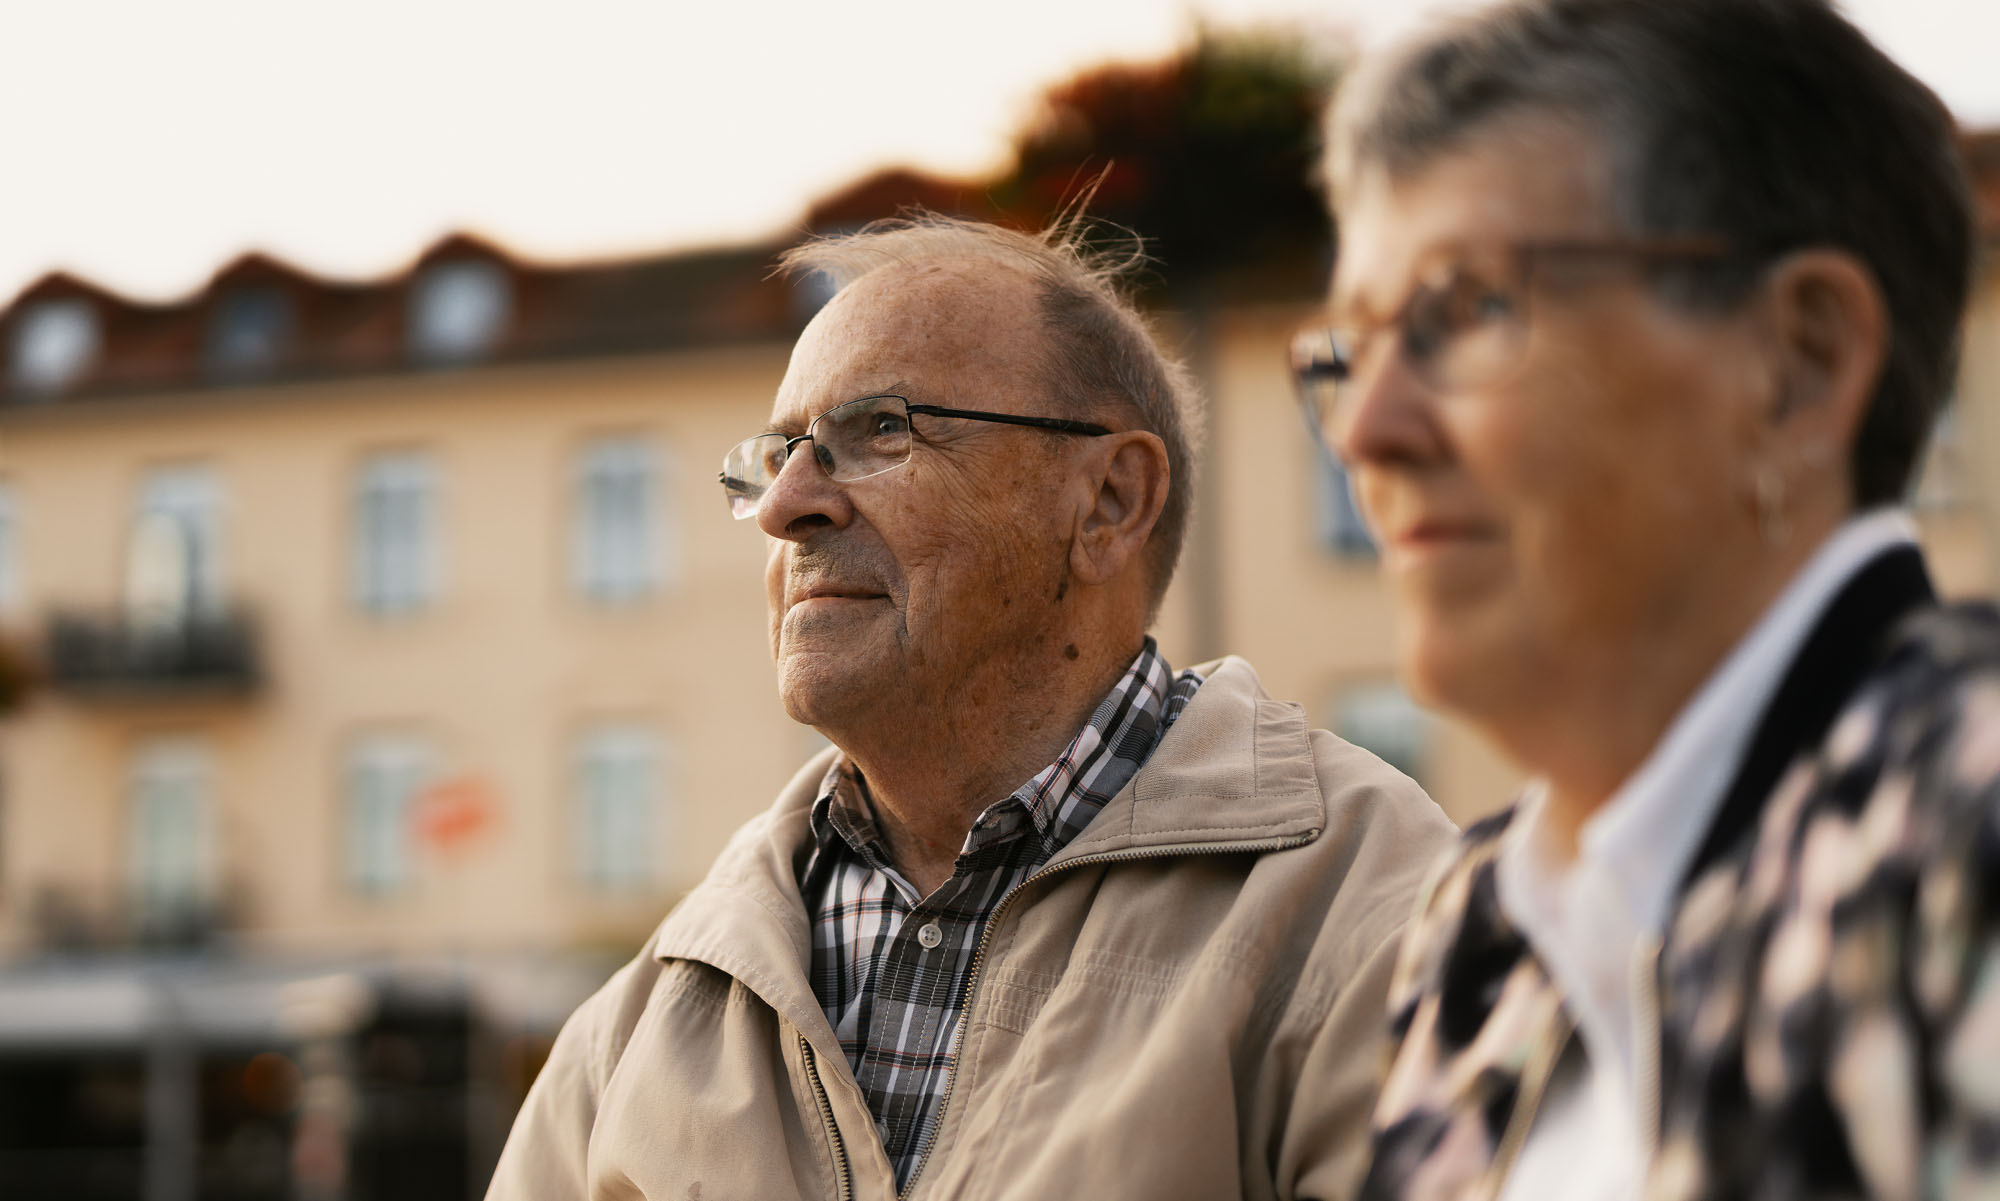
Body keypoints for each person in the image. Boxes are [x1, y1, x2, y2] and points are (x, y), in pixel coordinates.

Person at [486, 216, 1454, 1201]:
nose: (786, 506)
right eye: (778, 453)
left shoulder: (1376, 909)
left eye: (880, 430)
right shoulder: (644, 1021)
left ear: (1110, 500)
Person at [1291, 1, 1999, 1198]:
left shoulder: (1965, 815)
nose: (1366, 431)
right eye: (1349, 351)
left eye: (1465, 309)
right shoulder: (1479, 931)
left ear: (1798, 364)